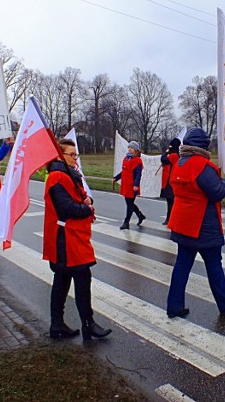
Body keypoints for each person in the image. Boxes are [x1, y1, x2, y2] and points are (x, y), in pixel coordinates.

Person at [166, 128, 225, 318]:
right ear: (202, 146)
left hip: (182, 223)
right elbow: (217, 192)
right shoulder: (201, 165)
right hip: (203, 225)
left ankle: (174, 306)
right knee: (214, 265)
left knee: (182, 265)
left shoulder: (180, 162)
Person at [43, 139, 111, 340]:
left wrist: (87, 202)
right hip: (65, 239)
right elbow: (66, 208)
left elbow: (77, 198)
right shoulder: (57, 176)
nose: (75, 159)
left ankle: (58, 324)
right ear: (59, 156)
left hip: (72, 237)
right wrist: (86, 209)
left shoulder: (69, 175)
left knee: (62, 280)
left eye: (76, 155)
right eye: (71, 155)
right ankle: (87, 324)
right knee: (80, 278)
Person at [113, 141, 145, 230]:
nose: (130, 149)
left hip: (132, 186)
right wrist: (117, 177)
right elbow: (124, 171)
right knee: (129, 203)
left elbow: (138, 174)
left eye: (132, 148)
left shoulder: (137, 160)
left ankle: (126, 222)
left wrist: (136, 185)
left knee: (129, 204)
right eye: (129, 147)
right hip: (126, 185)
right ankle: (140, 215)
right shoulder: (127, 158)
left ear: (136, 150)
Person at [160, 137, 181, 225]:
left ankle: (170, 219)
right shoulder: (177, 155)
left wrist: (165, 152)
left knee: (170, 201)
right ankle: (170, 218)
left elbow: (163, 159)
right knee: (170, 201)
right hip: (172, 180)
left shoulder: (174, 155)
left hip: (170, 181)